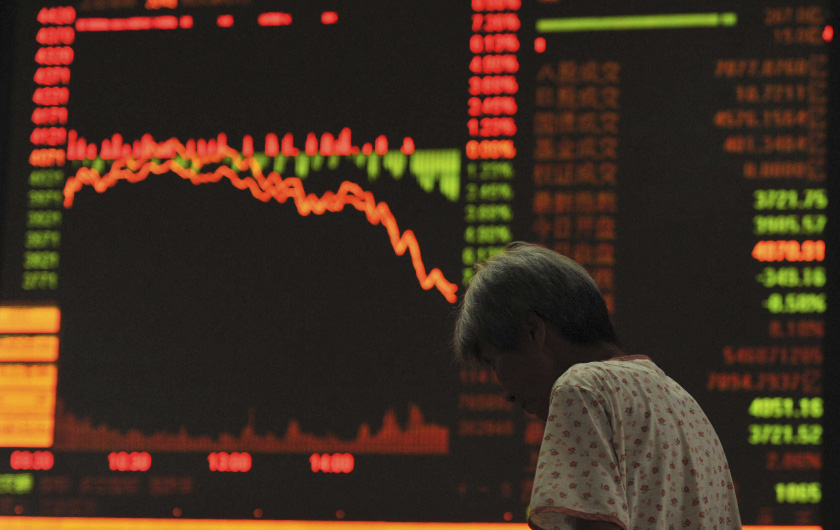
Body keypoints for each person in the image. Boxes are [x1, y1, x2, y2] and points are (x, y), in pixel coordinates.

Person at [453, 242, 741, 530]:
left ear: (533, 330)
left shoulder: (580, 390)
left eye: (493, 362)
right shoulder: (684, 402)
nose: (506, 393)